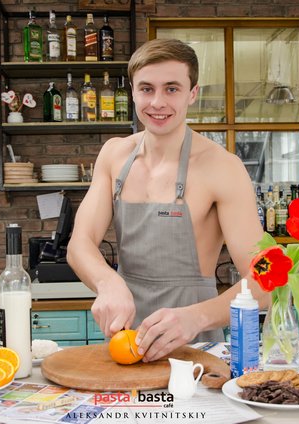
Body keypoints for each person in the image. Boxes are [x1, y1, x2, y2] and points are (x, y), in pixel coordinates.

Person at [67, 38, 269, 362]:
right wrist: (107, 282)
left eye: (172, 89)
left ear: (192, 93)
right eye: (146, 89)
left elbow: (266, 280)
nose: (157, 102)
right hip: (126, 342)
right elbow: (80, 243)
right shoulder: (114, 155)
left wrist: (196, 318)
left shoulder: (222, 167)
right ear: (132, 92)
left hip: (196, 347)